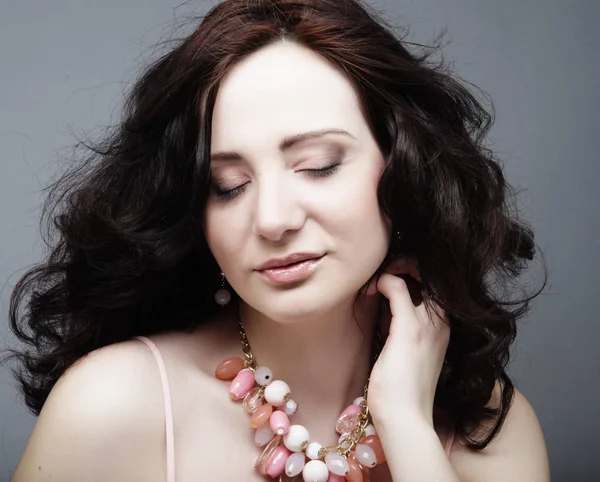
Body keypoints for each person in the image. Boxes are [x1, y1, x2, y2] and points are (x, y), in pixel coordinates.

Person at [5, 0, 550, 480]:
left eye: (318, 166)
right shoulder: (112, 405)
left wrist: (405, 423)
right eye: (228, 186)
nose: (271, 218)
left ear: (406, 169)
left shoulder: (491, 429)